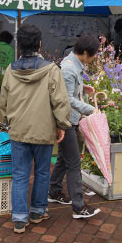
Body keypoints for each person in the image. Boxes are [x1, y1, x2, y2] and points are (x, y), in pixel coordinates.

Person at [0, 24, 72, 234]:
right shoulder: (51, 70)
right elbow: (60, 102)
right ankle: (38, 212)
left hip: (18, 131)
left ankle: (20, 219)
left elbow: (4, 104)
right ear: (40, 44)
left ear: (19, 44)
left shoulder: (10, 70)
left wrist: (10, 120)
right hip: (44, 130)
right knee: (42, 172)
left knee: (20, 174)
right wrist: (62, 125)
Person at [49, 34, 101, 219]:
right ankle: (79, 207)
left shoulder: (71, 63)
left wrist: (83, 88)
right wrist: (90, 110)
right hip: (67, 121)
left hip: (70, 119)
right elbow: (67, 99)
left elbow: (68, 89)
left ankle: (54, 191)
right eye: (94, 54)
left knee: (64, 158)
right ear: (86, 52)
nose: (95, 57)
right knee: (74, 163)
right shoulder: (70, 69)